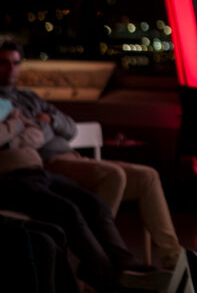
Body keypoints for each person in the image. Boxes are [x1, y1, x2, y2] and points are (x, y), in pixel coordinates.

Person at [0, 40, 184, 270]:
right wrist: (38, 126)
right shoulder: (3, 104)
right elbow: (24, 140)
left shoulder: (31, 98)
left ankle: (174, 258)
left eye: (16, 63)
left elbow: (70, 127)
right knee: (113, 176)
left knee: (147, 176)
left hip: (73, 157)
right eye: (4, 63)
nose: (11, 69)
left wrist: (50, 121)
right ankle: (101, 254)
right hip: (48, 163)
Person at [0, 93, 171, 291]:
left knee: (95, 205)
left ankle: (126, 263)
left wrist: (10, 138)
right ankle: (107, 276)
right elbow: (20, 130)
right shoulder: (11, 112)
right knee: (67, 211)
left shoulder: (7, 104)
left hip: (37, 171)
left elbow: (37, 133)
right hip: (8, 178)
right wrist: (17, 125)